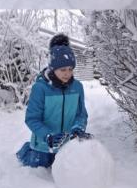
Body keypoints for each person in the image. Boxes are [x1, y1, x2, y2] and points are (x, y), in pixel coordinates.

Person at [16, 34, 91, 168]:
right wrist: (47, 135)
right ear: (52, 68)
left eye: (70, 69)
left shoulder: (77, 87)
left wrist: (78, 128)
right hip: (44, 145)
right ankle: (26, 150)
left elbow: (81, 114)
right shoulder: (40, 88)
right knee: (39, 166)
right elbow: (32, 118)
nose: (67, 73)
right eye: (62, 70)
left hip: (67, 145)